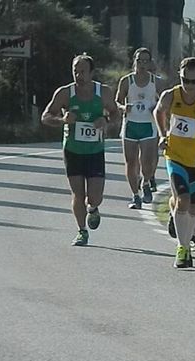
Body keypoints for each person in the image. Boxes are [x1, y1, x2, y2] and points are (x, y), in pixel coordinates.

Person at [41, 53, 119, 246]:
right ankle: (82, 230)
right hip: (73, 150)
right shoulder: (65, 93)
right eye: (75, 70)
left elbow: (116, 113)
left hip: (95, 150)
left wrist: (106, 121)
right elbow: (45, 116)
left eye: (83, 71)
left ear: (92, 72)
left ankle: (93, 208)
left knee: (95, 196)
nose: (78, 75)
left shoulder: (104, 92)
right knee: (78, 193)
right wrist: (62, 120)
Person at [154, 57, 195, 268]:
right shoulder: (171, 95)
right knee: (183, 200)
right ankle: (183, 248)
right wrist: (163, 135)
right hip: (176, 157)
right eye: (184, 80)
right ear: (179, 76)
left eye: (193, 81)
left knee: (194, 208)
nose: (188, 86)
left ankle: (185, 236)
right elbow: (158, 111)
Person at [116, 48, 166, 209]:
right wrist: (124, 108)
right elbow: (116, 102)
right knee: (131, 162)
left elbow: (166, 102)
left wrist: (157, 108)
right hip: (130, 125)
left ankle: (146, 182)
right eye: (139, 60)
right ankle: (135, 196)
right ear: (134, 61)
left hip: (148, 126)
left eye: (146, 61)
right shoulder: (126, 81)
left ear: (150, 63)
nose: (142, 64)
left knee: (148, 162)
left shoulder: (156, 82)